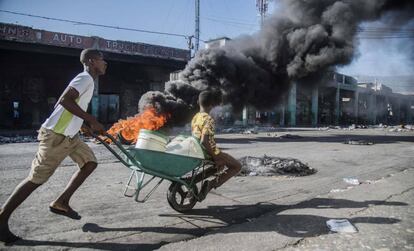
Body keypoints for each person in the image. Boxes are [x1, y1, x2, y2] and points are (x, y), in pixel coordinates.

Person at [0, 48, 107, 244]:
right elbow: (64, 100)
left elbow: (72, 108)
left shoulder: (88, 81)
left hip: (70, 136)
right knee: (36, 179)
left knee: (90, 162)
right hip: (56, 136)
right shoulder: (85, 78)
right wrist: (92, 119)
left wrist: (82, 125)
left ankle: (61, 202)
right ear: (92, 62)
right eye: (102, 60)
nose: (105, 63)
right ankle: (1, 219)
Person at [191, 90, 242, 201]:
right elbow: (204, 141)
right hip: (207, 150)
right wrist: (216, 157)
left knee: (221, 165)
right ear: (212, 105)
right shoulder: (208, 119)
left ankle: (192, 180)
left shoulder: (196, 117)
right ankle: (210, 185)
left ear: (198, 102)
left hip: (198, 150)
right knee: (237, 166)